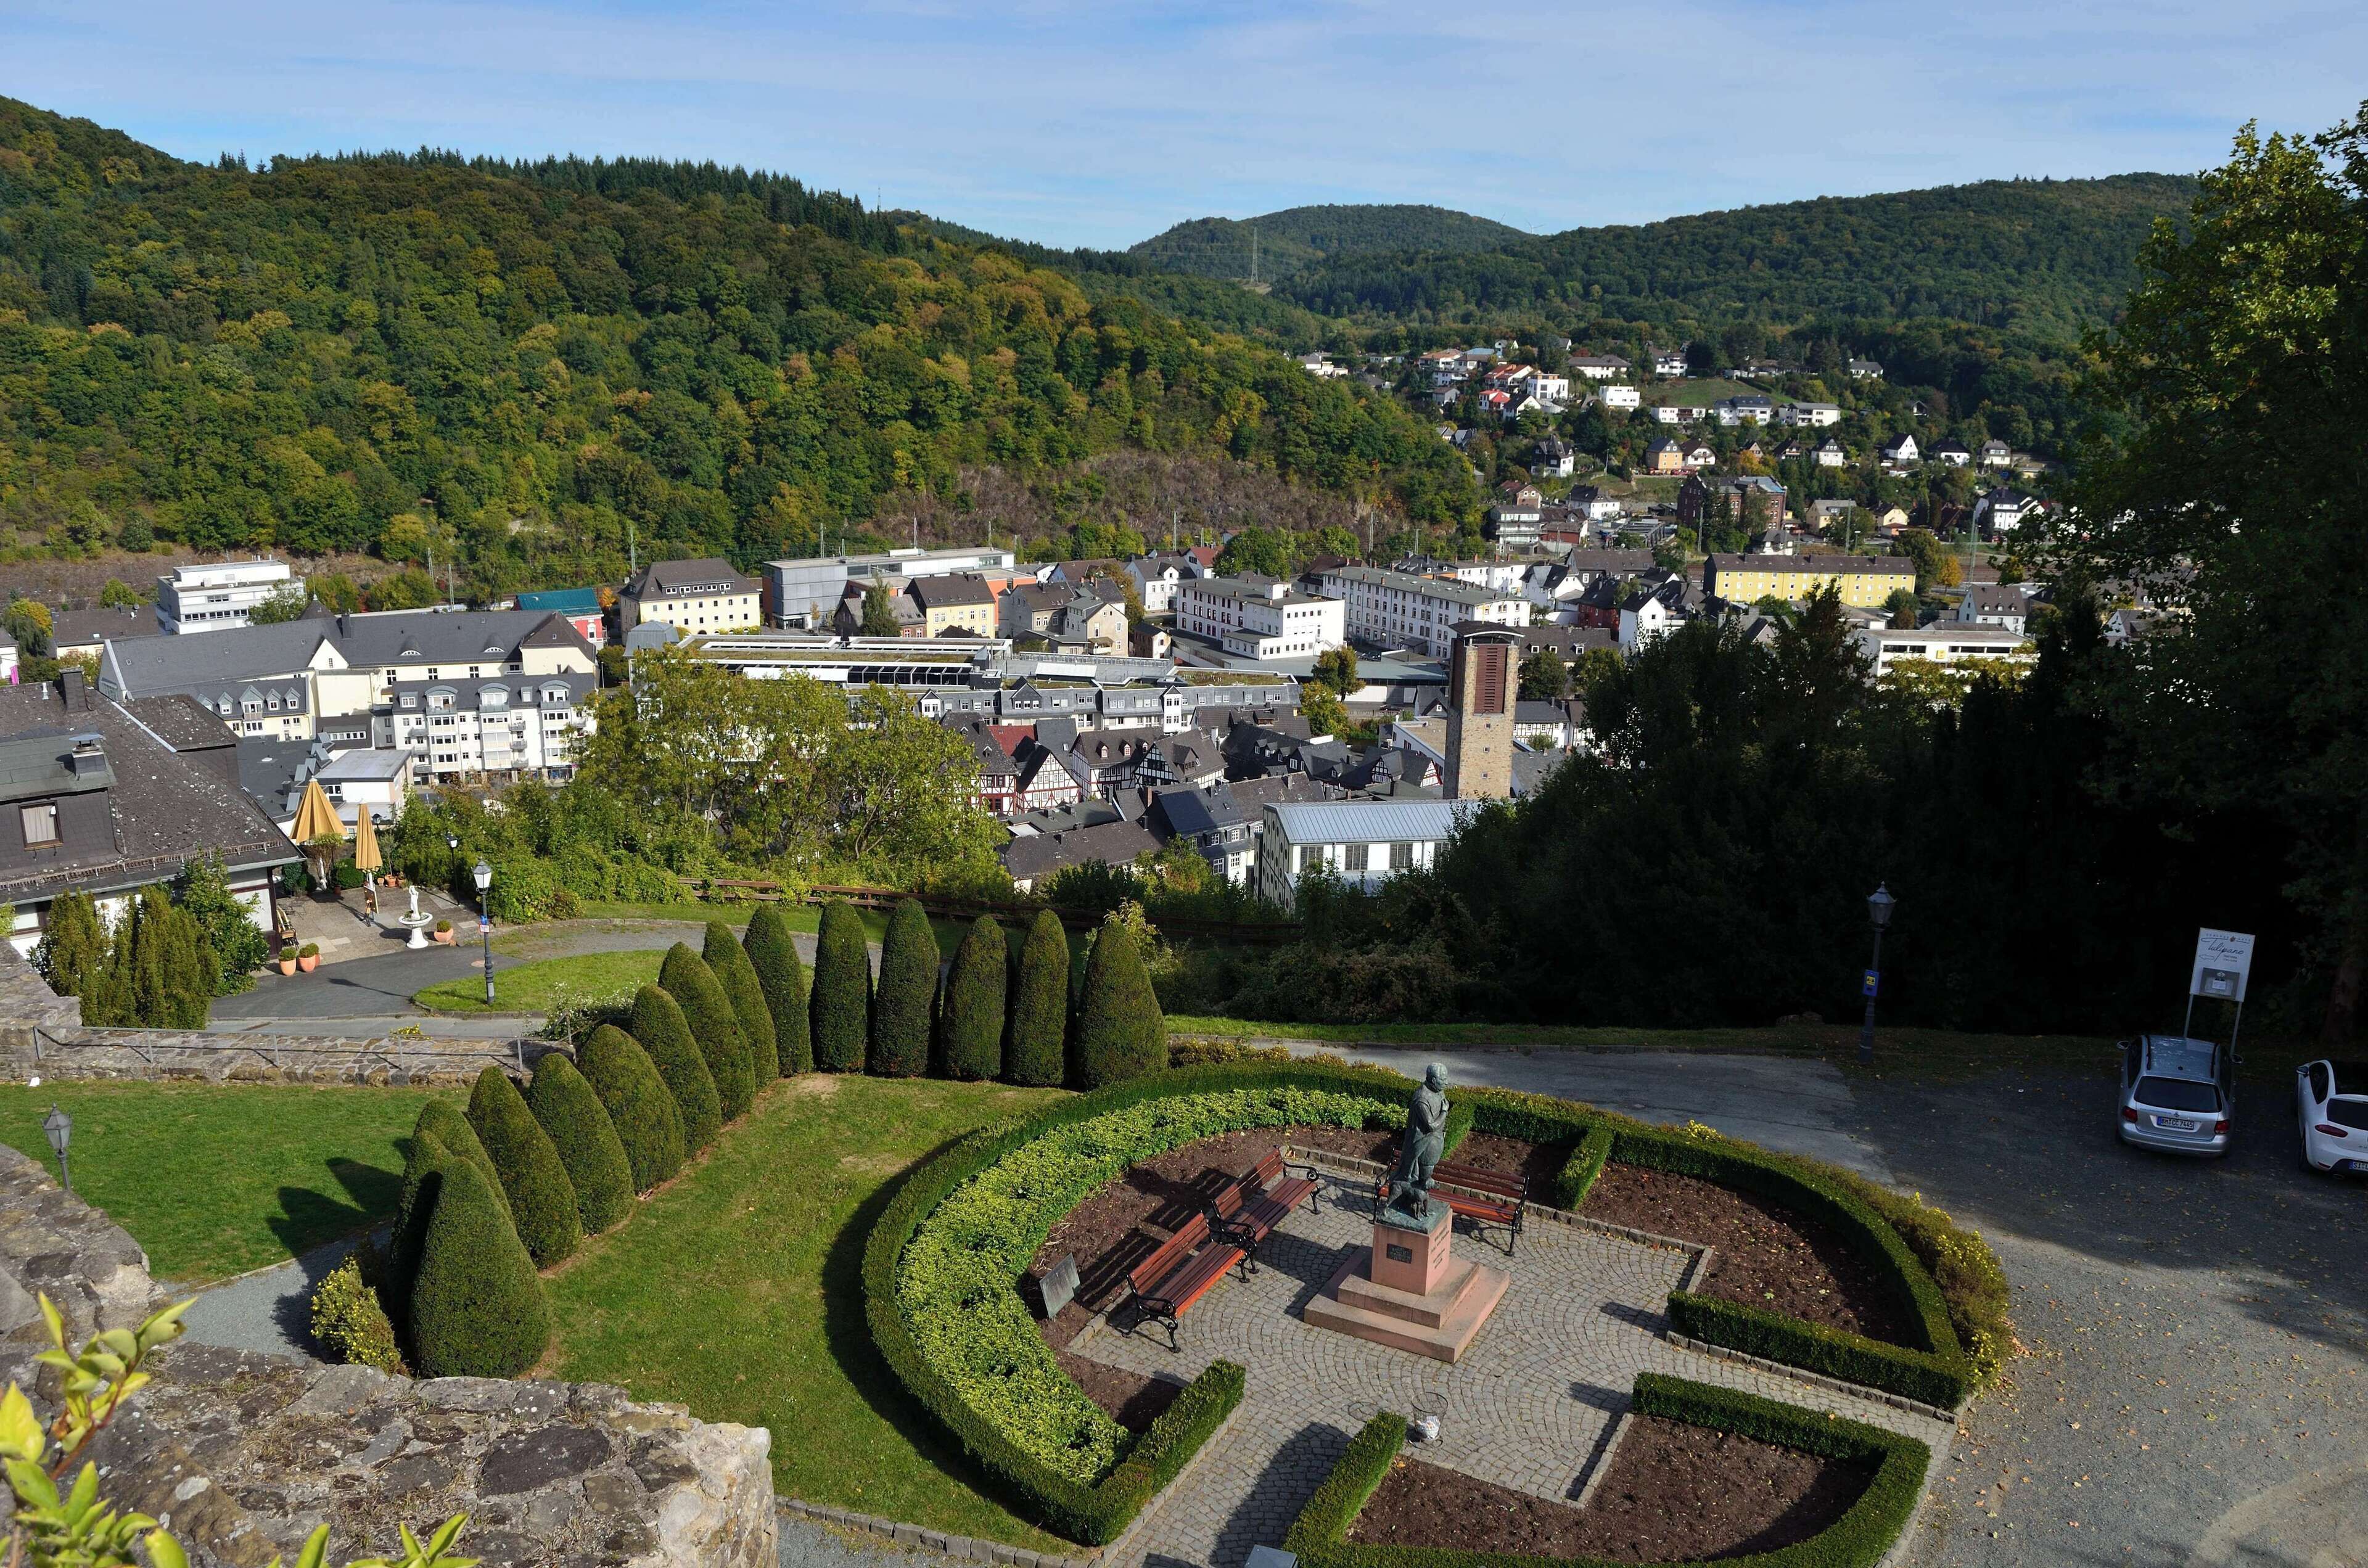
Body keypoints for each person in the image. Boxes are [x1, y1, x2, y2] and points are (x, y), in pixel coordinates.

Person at [1383, 1063, 1450, 1224]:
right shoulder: (1422, 1099)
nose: (1447, 1082)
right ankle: (1410, 1206)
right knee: (1420, 1177)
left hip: (1433, 1143)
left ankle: (1417, 1204)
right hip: (1422, 1145)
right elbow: (1431, 1125)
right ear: (1433, 1080)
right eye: (1443, 1079)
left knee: (1425, 1176)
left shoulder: (1438, 1091)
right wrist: (1444, 1112)